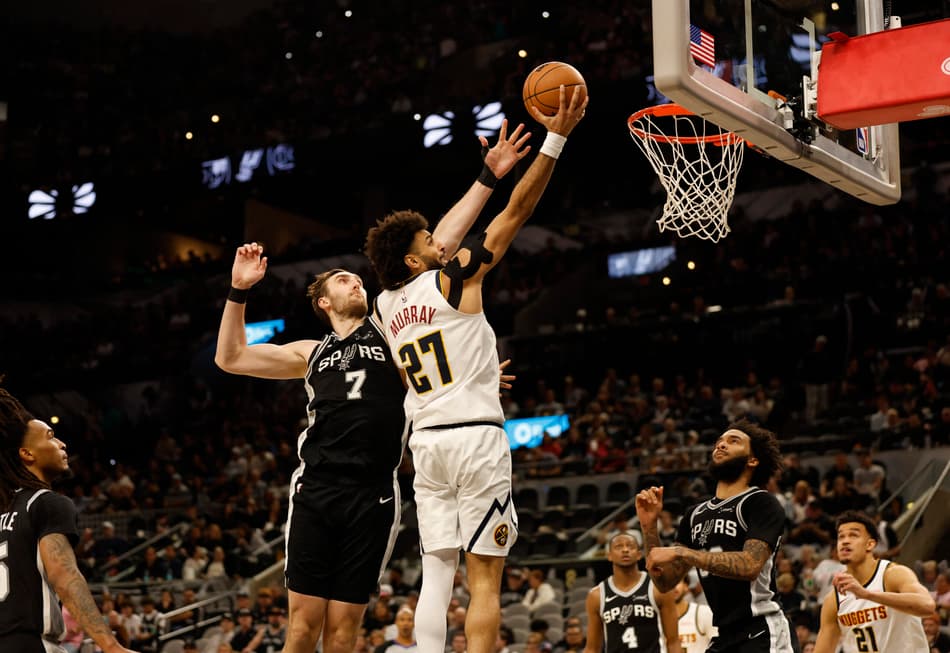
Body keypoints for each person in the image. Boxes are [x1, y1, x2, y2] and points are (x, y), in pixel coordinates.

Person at [213, 123, 527, 653]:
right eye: (342, 280)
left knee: (342, 631)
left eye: (356, 277)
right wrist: (238, 291)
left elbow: (440, 244)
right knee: (301, 628)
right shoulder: (311, 352)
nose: (355, 280)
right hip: (317, 486)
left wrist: (487, 177)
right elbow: (231, 358)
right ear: (324, 302)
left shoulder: (389, 320)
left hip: (375, 491)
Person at [364, 86, 587, 653]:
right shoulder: (451, 278)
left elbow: (437, 247)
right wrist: (556, 140)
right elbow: (517, 212)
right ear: (416, 258)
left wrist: (487, 176)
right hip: (474, 440)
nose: (442, 243)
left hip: (427, 444)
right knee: (485, 580)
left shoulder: (383, 307)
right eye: (429, 242)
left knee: (436, 572)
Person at [635, 418, 798, 653]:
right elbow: (665, 582)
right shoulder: (694, 514)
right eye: (720, 441)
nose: (721, 445)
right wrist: (649, 527)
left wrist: (682, 552)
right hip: (723, 634)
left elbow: (750, 565)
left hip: (762, 629)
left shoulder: (761, 502)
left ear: (752, 460)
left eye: (734, 441)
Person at [0, 386, 139, 653]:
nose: (62, 444)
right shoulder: (45, 502)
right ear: (27, 454)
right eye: (51, 437)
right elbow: (64, 576)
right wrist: (111, 646)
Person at [813, 510, 933, 653]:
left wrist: (867, 594)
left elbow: (927, 606)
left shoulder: (893, 574)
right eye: (841, 537)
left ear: (870, 545)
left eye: (853, 535)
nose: (845, 541)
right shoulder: (834, 599)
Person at [582, 531, 682, 653]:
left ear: (639, 554)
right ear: (609, 555)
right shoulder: (597, 595)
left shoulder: (658, 588)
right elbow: (592, 648)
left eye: (630, 546)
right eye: (619, 546)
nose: (625, 550)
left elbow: (673, 641)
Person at [672, 579, 716, 653]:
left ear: (686, 586)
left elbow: (719, 642)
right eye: (669, 583)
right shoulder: (657, 618)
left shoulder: (703, 612)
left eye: (677, 582)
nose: (673, 587)